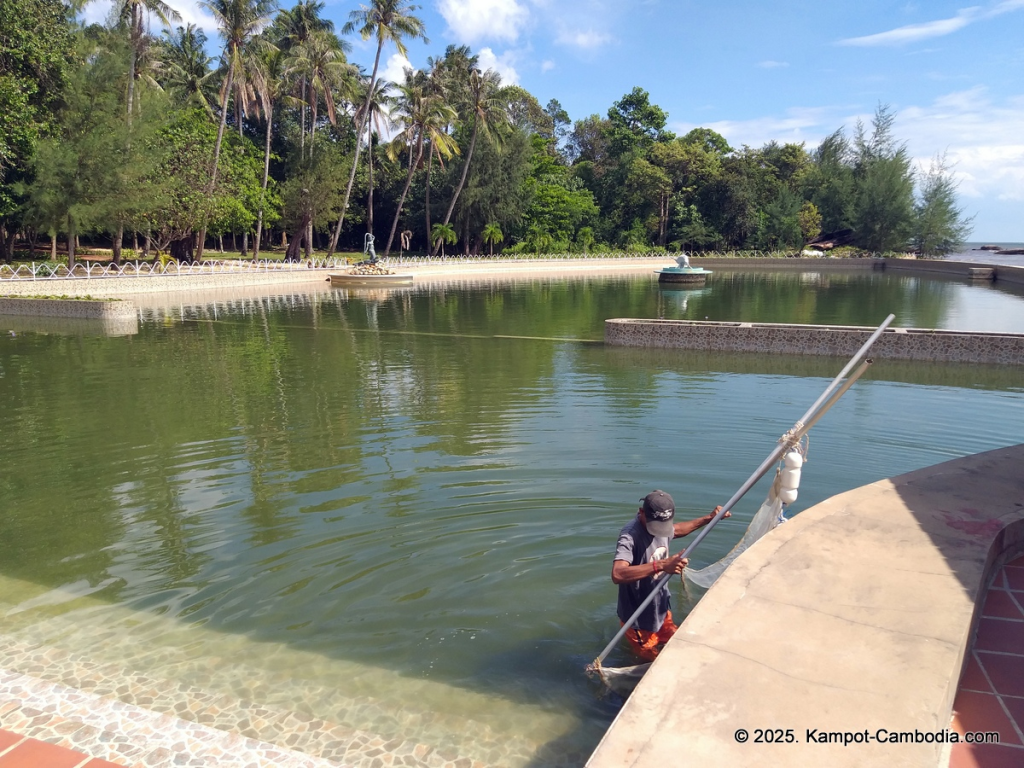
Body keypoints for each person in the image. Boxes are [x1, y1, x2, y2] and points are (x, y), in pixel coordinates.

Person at [612, 490, 728, 661]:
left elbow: (678, 530)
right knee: (652, 662)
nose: (660, 531)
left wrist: (709, 518)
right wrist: (662, 565)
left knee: (677, 647)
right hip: (638, 618)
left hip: (660, 608)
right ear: (641, 512)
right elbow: (618, 573)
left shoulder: (664, 527)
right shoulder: (630, 535)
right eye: (656, 526)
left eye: (663, 526)